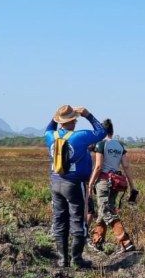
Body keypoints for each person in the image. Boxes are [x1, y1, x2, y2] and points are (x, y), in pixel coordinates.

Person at [45, 104, 106, 268]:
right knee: (78, 220)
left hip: (55, 182)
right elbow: (102, 132)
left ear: (59, 121)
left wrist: (56, 115)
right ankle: (77, 260)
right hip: (74, 183)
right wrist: (88, 115)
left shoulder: (50, 135)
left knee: (60, 219)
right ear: (73, 120)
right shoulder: (80, 136)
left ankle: (62, 259)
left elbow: (49, 127)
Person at [87, 118, 138, 253]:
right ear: (112, 131)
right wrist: (133, 186)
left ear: (102, 131)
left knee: (106, 212)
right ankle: (97, 241)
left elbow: (98, 167)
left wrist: (90, 184)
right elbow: (126, 166)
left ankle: (126, 242)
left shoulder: (101, 145)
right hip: (116, 183)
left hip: (103, 182)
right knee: (105, 210)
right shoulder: (120, 146)